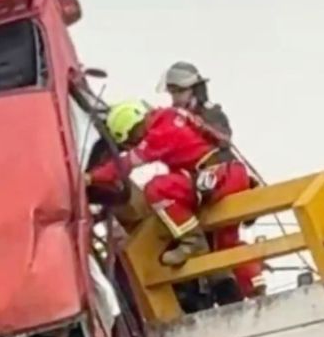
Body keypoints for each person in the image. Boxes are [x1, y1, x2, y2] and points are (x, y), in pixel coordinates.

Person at [87, 101, 265, 297]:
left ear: (133, 129)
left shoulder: (159, 134)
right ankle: (254, 286)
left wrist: (91, 177)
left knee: (158, 189)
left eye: (131, 139)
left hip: (216, 178)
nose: (134, 143)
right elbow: (210, 133)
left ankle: (191, 239)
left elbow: (124, 165)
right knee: (225, 244)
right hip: (230, 173)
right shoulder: (172, 115)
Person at [161, 62, 233, 155]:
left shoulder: (212, 114)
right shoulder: (175, 117)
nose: (175, 96)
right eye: (172, 91)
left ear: (195, 90)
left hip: (209, 166)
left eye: (180, 90)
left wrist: (200, 125)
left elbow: (224, 141)